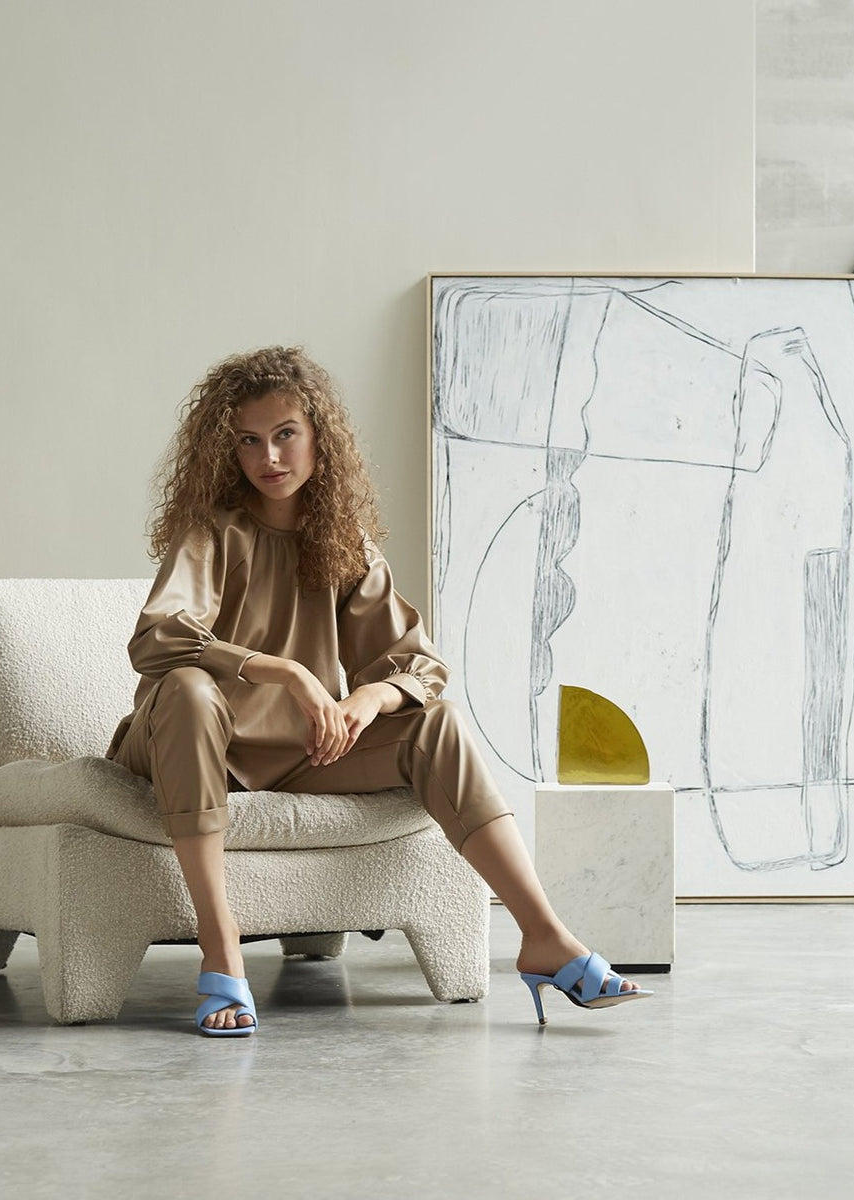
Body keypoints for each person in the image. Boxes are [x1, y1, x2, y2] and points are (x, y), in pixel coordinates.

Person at [107, 345, 651, 1036]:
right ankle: (221, 953)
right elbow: (156, 639)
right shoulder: (211, 532)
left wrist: (366, 700)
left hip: (293, 757)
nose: (269, 457)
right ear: (226, 450)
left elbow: (417, 664)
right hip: (182, 746)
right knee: (187, 689)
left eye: (285, 435)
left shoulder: (344, 544)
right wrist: (286, 671)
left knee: (434, 723)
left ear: (318, 438)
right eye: (248, 441)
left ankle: (545, 936)